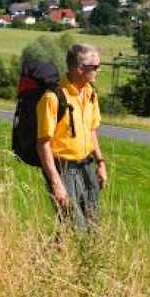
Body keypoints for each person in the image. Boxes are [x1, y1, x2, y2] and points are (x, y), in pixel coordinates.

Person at [36, 43, 107, 232]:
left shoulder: (90, 93)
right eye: (95, 67)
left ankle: (46, 258)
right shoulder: (53, 98)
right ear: (79, 69)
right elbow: (42, 145)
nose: (98, 71)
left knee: (93, 225)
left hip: (86, 166)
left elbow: (92, 131)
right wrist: (56, 183)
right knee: (76, 228)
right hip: (63, 170)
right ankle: (44, 258)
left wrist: (100, 163)